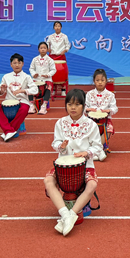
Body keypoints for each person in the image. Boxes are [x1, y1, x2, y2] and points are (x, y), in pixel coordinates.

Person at [44, 88, 101, 236]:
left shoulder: (91, 125)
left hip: (85, 165)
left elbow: (98, 147)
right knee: (48, 181)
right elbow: (55, 142)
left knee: (92, 184)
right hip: (63, 164)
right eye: (69, 104)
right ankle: (65, 214)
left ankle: (72, 213)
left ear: (83, 105)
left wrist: (86, 153)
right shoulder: (60, 123)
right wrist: (61, 147)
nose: (73, 107)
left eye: (77, 104)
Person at [0, 53, 38, 142]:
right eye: (14, 63)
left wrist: (23, 91)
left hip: (22, 101)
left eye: (19, 63)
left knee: (25, 109)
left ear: (23, 64)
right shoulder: (6, 77)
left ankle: (8, 131)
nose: (17, 65)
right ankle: (10, 130)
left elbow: (35, 89)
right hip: (8, 101)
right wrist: (2, 90)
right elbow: (0, 91)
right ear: (11, 64)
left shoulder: (26, 77)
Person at [85, 68, 116, 156]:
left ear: (106, 81)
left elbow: (115, 108)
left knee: (109, 129)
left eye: (102, 80)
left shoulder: (110, 95)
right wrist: (88, 109)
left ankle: (98, 148)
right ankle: (97, 149)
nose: (100, 82)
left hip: (105, 119)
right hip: (91, 119)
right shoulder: (89, 94)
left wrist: (109, 110)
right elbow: (84, 106)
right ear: (94, 81)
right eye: (97, 80)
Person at [30, 41, 56, 115]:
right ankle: (31, 105)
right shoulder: (34, 59)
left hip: (47, 79)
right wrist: (34, 74)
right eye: (41, 48)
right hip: (37, 79)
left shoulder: (50, 60)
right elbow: (31, 68)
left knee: (48, 87)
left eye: (44, 48)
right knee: (30, 86)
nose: (43, 49)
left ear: (47, 49)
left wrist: (48, 75)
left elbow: (53, 70)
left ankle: (44, 106)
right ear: (38, 49)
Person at [46, 21, 70, 96]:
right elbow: (46, 44)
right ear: (53, 28)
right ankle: (52, 89)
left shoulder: (64, 36)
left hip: (61, 56)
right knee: (53, 73)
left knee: (62, 73)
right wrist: (47, 49)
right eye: (56, 26)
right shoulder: (50, 36)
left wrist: (65, 50)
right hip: (52, 56)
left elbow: (68, 45)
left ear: (61, 27)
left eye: (59, 26)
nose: (57, 27)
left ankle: (63, 89)